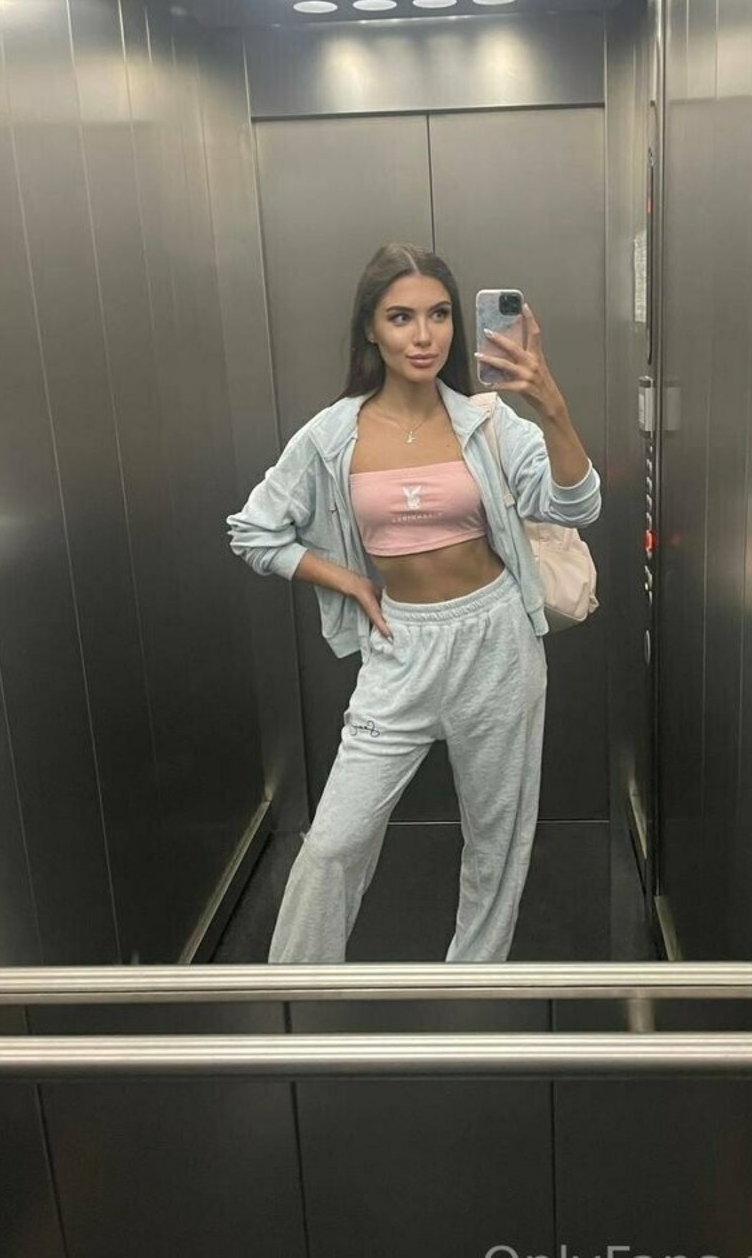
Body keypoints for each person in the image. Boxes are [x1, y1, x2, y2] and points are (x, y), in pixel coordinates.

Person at [226, 242, 601, 962]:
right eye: (401, 317)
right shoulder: (333, 434)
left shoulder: (488, 423)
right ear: (370, 329)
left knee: (496, 843)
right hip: (400, 648)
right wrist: (347, 579)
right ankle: (295, 994)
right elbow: (254, 530)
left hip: (497, 642)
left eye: (439, 315)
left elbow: (576, 505)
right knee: (333, 843)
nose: (424, 335)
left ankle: (473, 988)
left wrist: (551, 406)